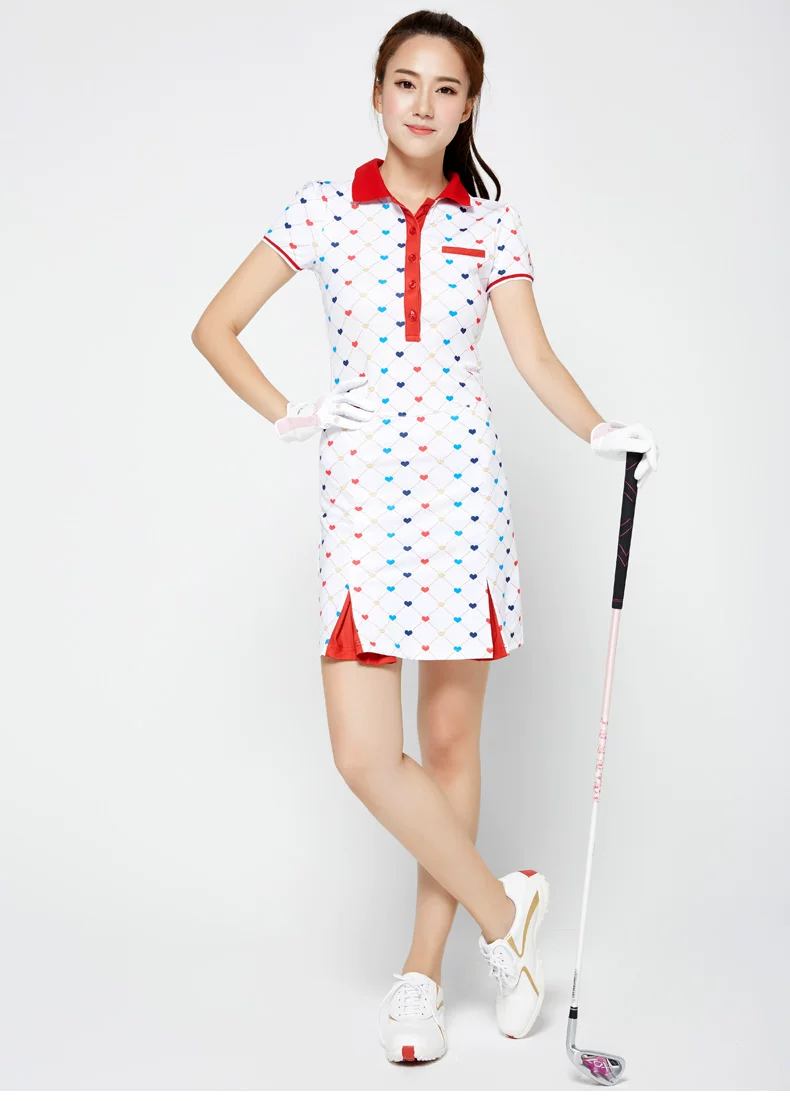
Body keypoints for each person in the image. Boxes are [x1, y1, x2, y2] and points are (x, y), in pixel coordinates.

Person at [191, 9, 659, 1066]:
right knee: (365, 753)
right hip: (363, 500)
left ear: (468, 107)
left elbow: (534, 359)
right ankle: (507, 913)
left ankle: (422, 975)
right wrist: (293, 413)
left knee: (448, 745)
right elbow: (215, 326)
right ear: (377, 92)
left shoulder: (491, 224)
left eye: (446, 89)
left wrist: (600, 430)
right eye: (406, 82)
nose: (422, 103)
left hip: (461, 500)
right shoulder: (323, 207)